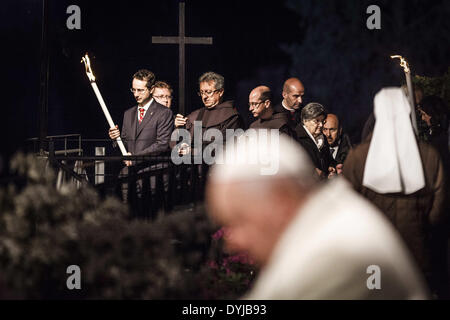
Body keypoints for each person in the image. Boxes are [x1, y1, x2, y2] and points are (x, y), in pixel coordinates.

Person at [206, 131, 428, 299]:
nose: (231, 242)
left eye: (238, 221)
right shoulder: (331, 217)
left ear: (281, 202)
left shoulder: (335, 256)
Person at [343, 88, 447, 298]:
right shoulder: (429, 155)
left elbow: (346, 206)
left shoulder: (358, 157)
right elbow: (439, 206)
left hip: (374, 256)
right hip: (417, 252)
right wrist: (422, 226)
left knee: (378, 294)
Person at [109, 69, 174, 163]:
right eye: (133, 90)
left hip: (152, 171)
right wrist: (116, 138)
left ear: (151, 89)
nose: (136, 94)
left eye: (140, 90)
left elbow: (161, 145)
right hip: (132, 172)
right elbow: (125, 145)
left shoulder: (164, 113)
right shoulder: (128, 114)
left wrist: (135, 158)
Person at [172, 72, 244, 152]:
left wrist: (193, 151)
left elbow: (227, 148)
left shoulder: (232, 117)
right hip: (193, 163)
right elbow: (178, 145)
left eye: (208, 92)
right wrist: (178, 128)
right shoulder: (196, 115)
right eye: (202, 92)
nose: (204, 97)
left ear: (220, 92)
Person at [294, 103, 335, 178]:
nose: (321, 125)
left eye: (322, 121)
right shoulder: (296, 138)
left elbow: (329, 159)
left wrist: (331, 167)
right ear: (305, 121)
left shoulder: (323, 138)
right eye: (317, 121)